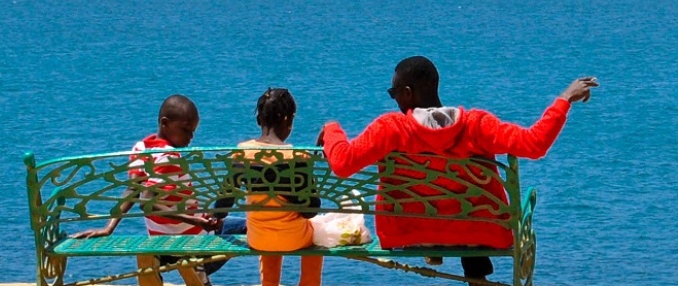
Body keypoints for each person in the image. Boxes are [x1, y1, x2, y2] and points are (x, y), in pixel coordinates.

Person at [317, 56, 598, 281]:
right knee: (473, 201)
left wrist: (332, 130)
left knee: (436, 204)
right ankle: (475, 269)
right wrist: (564, 99)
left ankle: (436, 246)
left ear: (407, 93)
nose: (394, 100)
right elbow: (534, 144)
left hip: (409, 233)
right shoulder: (477, 124)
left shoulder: (391, 129)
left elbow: (342, 163)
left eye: (394, 93)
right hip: (480, 232)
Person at [69, 94, 241, 284]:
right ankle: (197, 270)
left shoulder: (140, 148)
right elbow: (147, 204)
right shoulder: (168, 156)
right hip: (193, 242)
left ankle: (197, 272)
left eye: (193, 131)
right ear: (164, 123)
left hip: (160, 241)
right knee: (252, 227)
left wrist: (108, 228)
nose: (191, 137)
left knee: (225, 224)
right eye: (186, 130)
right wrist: (196, 220)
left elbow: (132, 191)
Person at [225, 88, 324, 286]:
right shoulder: (298, 157)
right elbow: (310, 210)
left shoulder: (241, 152)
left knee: (267, 226)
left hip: (258, 238)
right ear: (288, 120)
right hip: (294, 238)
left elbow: (223, 203)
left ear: (259, 120)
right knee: (316, 234)